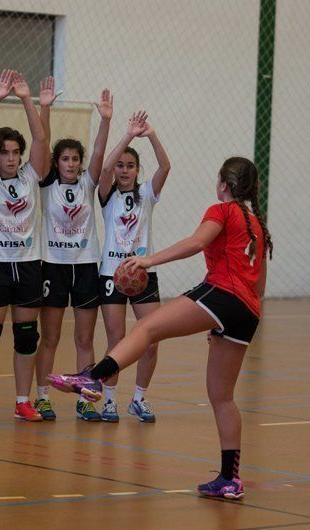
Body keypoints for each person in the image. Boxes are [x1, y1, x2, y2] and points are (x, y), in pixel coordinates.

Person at [48, 157, 273, 500]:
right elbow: (258, 289)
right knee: (222, 396)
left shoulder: (221, 210)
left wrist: (148, 260)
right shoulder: (257, 224)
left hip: (223, 292)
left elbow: (197, 243)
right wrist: (224, 323)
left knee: (148, 327)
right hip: (247, 311)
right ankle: (231, 479)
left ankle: (94, 377)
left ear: (224, 185)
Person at [0, 71, 51, 422]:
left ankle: (22, 400)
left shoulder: (31, 176)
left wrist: (27, 99)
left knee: (27, 337)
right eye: (5, 153)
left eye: (16, 152)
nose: (13, 158)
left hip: (30, 264)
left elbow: (42, 139)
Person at [33, 88, 113, 421]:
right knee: (49, 336)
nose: (70, 163)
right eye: (64, 158)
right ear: (57, 162)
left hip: (85, 267)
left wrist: (106, 120)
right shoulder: (46, 182)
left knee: (84, 337)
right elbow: (42, 142)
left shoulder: (88, 183)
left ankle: (85, 398)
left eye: (74, 159)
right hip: (53, 266)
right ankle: (41, 397)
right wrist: (45, 109)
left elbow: (98, 151)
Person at [96, 110, 171, 422]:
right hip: (112, 274)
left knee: (151, 339)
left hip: (143, 274)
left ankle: (139, 398)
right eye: (121, 166)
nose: (124, 170)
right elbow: (102, 168)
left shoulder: (146, 195)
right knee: (117, 340)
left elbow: (166, 166)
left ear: (138, 170)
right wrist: (127, 135)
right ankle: (109, 400)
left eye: (130, 166)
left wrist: (150, 134)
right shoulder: (106, 194)